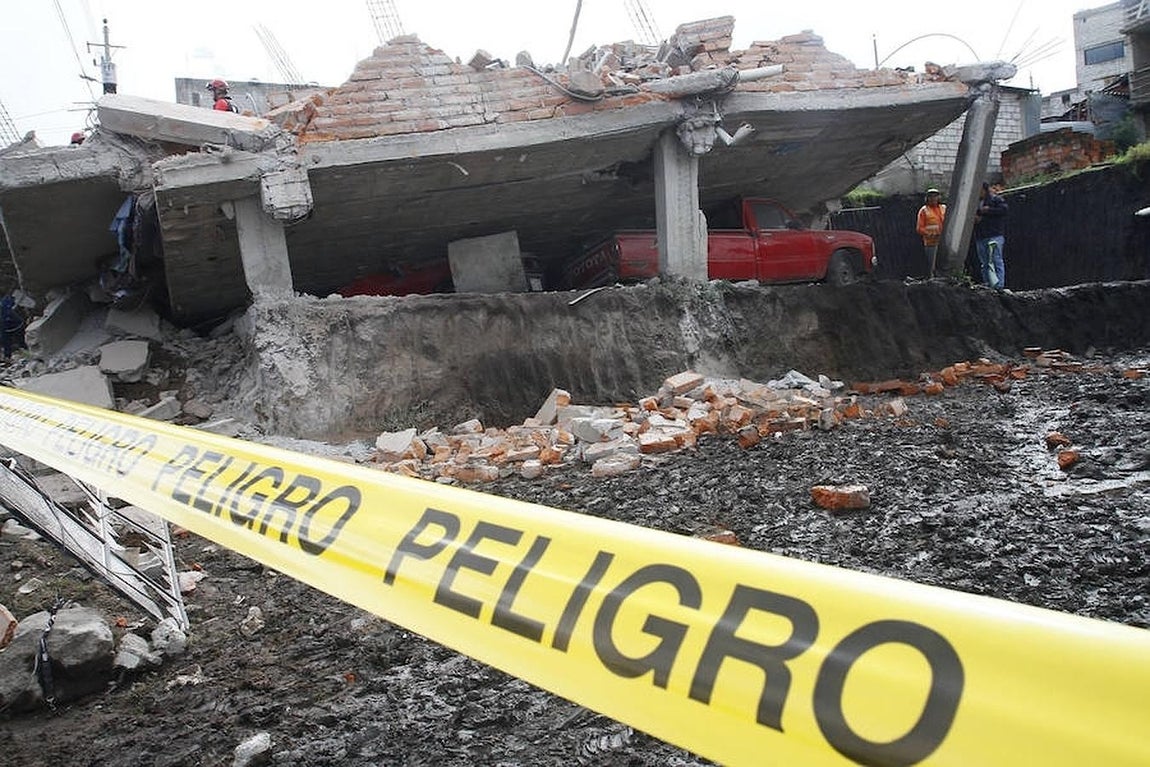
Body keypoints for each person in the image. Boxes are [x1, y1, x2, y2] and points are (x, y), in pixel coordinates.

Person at [973, 181, 1008, 289]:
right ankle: (988, 284)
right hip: (981, 235)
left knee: (996, 259)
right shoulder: (975, 202)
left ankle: (999, 285)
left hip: (994, 234)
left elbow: (1004, 209)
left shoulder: (995, 199)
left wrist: (989, 210)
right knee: (985, 262)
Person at [915, 188, 946, 278]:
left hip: (944, 242)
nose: (933, 199)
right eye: (931, 197)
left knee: (945, 264)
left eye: (935, 196)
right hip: (931, 243)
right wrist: (930, 233)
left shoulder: (944, 208)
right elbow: (919, 228)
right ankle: (933, 281)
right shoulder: (924, 210)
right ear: (927, 198)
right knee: (932, 266)